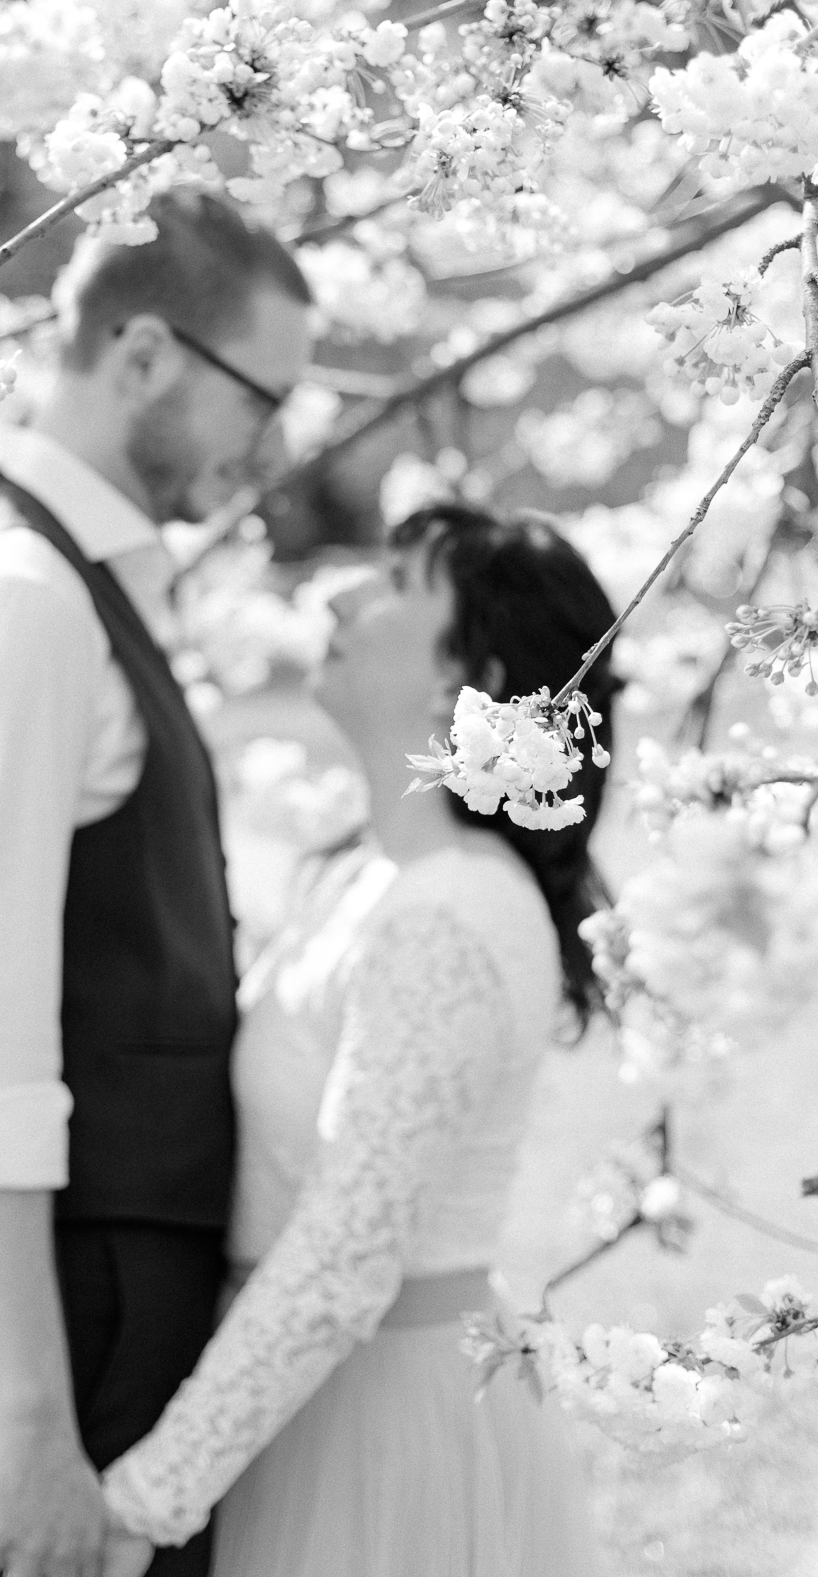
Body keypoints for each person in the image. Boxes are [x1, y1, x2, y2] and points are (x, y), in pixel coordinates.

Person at [0, 188, 314, 1577]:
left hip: (105, 1267)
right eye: (259, 397)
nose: (272, 447)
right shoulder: (21, 597)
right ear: (143, 359)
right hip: (66, 1291)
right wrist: (33, 1414)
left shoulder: (68, 581)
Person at [100, 502, 619, 1577]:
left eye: (392, 583)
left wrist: (148, 1499)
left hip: (383, 1429)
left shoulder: (453, 913)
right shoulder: (366, 876)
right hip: (313, 1400)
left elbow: (346, 1257)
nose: (338, 596)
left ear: (460, 675)